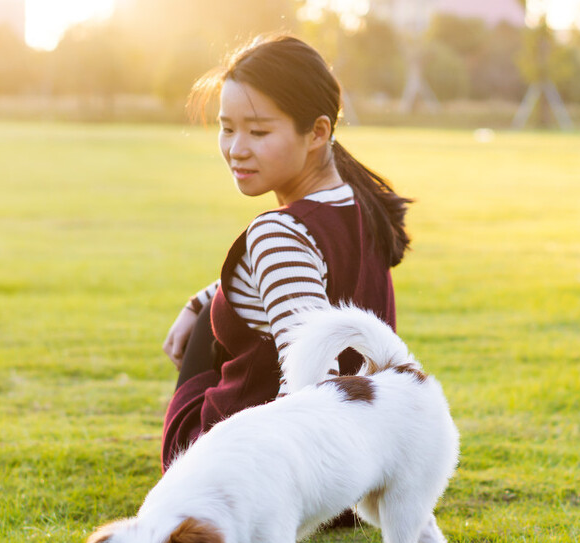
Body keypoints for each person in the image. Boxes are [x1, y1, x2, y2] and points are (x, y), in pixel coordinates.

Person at [159, 35, 412, 471]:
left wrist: (280, 483)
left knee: (212, 329)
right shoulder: (361, 204)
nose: (237, 148)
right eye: (227, 127)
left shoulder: (279, 232)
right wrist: (198, 302)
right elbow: (298, 277)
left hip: (264, 472)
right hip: (365, 474)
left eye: (258, 131)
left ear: (317, 132)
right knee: (208, 315)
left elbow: (313, 375)